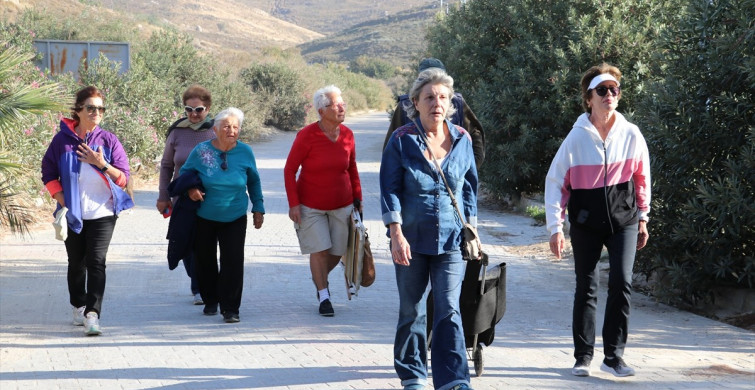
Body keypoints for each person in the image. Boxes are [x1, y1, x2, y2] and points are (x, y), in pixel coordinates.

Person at [544, 63, 651, 378]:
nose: (609, 95)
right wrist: (555, 228)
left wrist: (643, 217)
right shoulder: (576, 139)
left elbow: (642, 178)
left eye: (613, 90)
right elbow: (555, 184)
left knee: (622, 281)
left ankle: (614, 357)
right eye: (601, 90)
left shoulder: (631, 134)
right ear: (588, 98)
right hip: (586, 223)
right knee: (586, 287)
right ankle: (583, 356)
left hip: (625, 220)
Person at [380, 68, 477, 390]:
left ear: (450, 103)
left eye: (443, 97)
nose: (437, 102)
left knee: (449, 309)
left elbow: (469, 189)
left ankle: (453, 379)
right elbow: (389, 188)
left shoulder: (462, 139)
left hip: (451, 240)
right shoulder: (401, 140)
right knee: (412, 309)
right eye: (430, 97)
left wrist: (471, 230)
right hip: (411, 239)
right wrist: (395, 233)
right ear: (416, 103)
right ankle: (413, 375)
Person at [41, 85, 134, 336]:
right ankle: (78, 305)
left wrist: (101, 164)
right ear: (78, 110)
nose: (96, 112)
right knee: (76, 263)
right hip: (74, 213)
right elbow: (48, 172)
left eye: (100, 108)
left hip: (104, 212)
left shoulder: (109, 140)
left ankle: (93, 314)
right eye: (91, 108)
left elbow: (123, 178)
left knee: (96, 262)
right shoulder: (62, 140)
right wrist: (63, 201)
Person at [179, 107, 265, 323]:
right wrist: (191, 190)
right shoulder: (201, 151)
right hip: (204, 214)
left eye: (236, 127)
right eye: (226, 126)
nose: (231, 130)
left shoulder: (245, 152)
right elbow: (185, 173)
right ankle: (210, 300)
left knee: (233, 261)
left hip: (235, 214)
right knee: (204, 260)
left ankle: (231, 308)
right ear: (215, 129)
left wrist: (258, 207)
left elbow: (253, 180)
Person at [284, 85, 363, 317]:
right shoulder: (306, 136)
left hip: (343, 204)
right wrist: (293, 204)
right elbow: (290, 170)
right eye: (335, 105)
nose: (341, 108)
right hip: (310, 206)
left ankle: (318, 276)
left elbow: (352, 167)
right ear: (321, 110)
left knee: (337, 251)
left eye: (343, 104)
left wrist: (358, 197)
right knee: (319, 250)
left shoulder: (348, 134)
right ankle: (324, 295)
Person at [156, 85, 215, 306]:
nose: (193, 114)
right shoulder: (176, 131)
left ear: (207, 108)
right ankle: (197, 282)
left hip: (210, 197)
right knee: (186, 243)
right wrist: (163, 196)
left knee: (206, 242)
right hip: (182, 198)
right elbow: (166, 165)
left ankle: (200, 286)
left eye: (198, 109)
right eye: (188, 109)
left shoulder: (215, 130)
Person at [384, 57, 485, 169]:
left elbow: (475, 133)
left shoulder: (457, 102)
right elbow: (390, 148)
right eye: (426, 76)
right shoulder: (405, 105)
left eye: (442, 97)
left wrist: (470, 166)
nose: (437, 103)